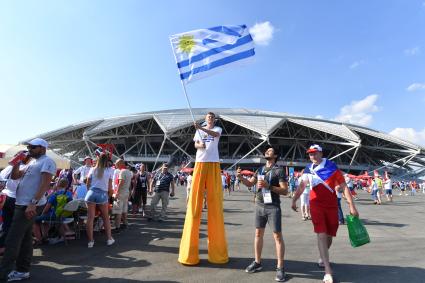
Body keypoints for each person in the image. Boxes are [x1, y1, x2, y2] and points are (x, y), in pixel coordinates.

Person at [291, 144, 359, 283]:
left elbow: (344, 186)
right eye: (310, 154)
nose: (312, 156)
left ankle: (323, 256)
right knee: (321, 234)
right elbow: (302, 186)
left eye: (315, 153)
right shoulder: (308, 169)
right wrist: (294, 200)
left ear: (321, 154)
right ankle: (328, 271)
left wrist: (352, 206)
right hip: (315, 204)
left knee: (329, 235)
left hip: (332, 206)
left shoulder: (331, 167)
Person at [0, 138, 56, 282]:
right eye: (29, 147)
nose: (29, 149)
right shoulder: (32, 162)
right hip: (22, 203)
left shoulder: (47, 161)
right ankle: (22, 270)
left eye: (33, 147)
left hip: (29, 205)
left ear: (42, 148)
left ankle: (4, 273)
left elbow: (45, 184)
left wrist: (33, 203)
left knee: (13, 238)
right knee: (25, 239)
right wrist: (16, 163)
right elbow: (15, 176)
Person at [178, 112, 229, 265]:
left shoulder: (217, 129)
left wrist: (201, 128)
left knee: (215, 205)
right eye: (208, 118)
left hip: (213, 164)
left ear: (214, 120)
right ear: (205, 119)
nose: (210, 119)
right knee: (194, 206)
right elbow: (196, 144)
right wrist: (200, 144)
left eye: (212, 118)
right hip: (200, 164)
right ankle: (189, 254)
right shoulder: (198, 131)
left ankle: (217, 254)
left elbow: (214, 134)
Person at [237, 147, 289, 282]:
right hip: (260, 205)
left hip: (273, 207)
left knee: (277, 236)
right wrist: (241, 177)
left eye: (270, 151)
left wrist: (268, 186)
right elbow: (250, 183)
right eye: (266, 151)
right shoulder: (260, 169)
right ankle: (257, 262)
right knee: (258, 234)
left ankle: (280, 268)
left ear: (275, 155)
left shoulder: (279, 170)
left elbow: (285, 191)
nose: (267, 152)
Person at [0, 152, 32, 256]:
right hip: (17, 199)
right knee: (17, 226)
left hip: (5, 197)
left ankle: (2, 246)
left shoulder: (8, 167)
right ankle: (11, 248)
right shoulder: (26, 168)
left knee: (6, 224)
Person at [84, 153, 115, 248]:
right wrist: (108, 196)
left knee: (90, 218)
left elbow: (87, 184)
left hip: (91, 193)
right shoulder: (109, 171)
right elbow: (110, 188)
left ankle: (90, 241)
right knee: (106, 218)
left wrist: (90, 191)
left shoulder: (92, 169)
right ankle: (109, 239)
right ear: (107, 161)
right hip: (102, 194)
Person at [33, 178, 73, 244]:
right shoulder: (69, 193)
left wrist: (42, 215)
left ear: (57, 184)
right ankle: (45, 237)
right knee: (44, 220)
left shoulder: (54, 195)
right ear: (67, 185)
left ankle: (40, 239)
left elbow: (46, 208)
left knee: (35, 220)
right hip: (64, 215)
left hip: (55, 215)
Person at [112, 159, 132, 231]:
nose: (115, 165)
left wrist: (116, 192)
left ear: (120, 164)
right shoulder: (129, 172)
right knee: (124, 209)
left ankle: (117, 227)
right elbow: (129, 184)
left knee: (118, 210)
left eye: (116, 164)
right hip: (126, 192)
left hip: (120, 193)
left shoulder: (122, 172)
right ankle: (125, 223)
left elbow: (121, 183)